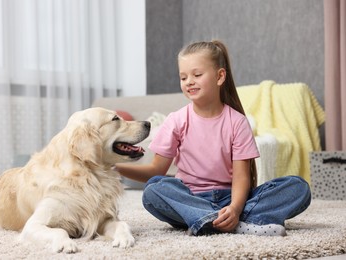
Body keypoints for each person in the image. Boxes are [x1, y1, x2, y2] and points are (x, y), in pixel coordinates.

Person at [115, 40, 311, 236]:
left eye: (197, 75)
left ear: (220, 76)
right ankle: (233, 222)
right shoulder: (176, 120)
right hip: (189, 197)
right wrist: (115, 168)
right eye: (183, 77)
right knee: (154, 189)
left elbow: (241, 176)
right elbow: (155, 170)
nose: (189, 81)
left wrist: (234, 208)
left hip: (232, 199)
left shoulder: (237, 122)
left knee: (298, 188)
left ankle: (212, 220)